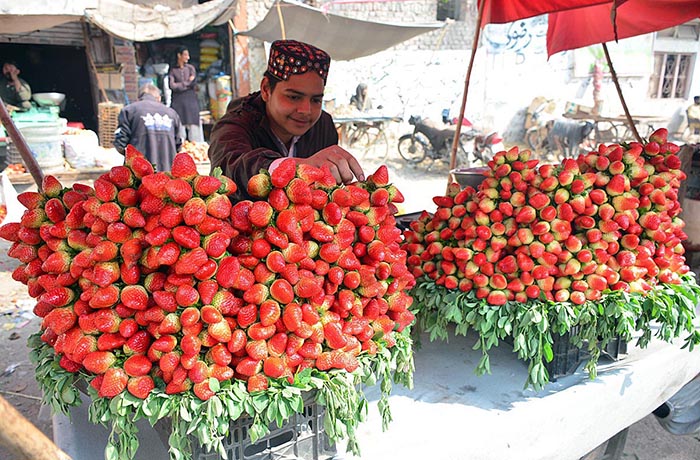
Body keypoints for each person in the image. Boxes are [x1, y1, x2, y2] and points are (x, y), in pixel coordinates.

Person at [208, 39, 364, 201]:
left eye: (316, 100)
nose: (305, 110)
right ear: (266, 89)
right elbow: (228, 167)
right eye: (294, 97)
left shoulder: (323, 125)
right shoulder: (237, 123)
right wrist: (295, 168)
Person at [113, 83, 182, 172]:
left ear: (138, 98)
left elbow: (120, 143)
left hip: (139, 173)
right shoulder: (172, 113)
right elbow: (178, 145)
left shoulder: (129, 111)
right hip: (167, 174)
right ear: (159, 98)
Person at [168, 46, 202, 143]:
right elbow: (172, 86)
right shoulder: (173, 70)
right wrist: (186, 83)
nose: (188, 57)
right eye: (186, 55)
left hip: (191, 102)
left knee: (194, 130)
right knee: (180, 128)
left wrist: (181, 86)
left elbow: (193, 82)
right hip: (178, 103)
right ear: (179, 55)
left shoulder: (191, 68)